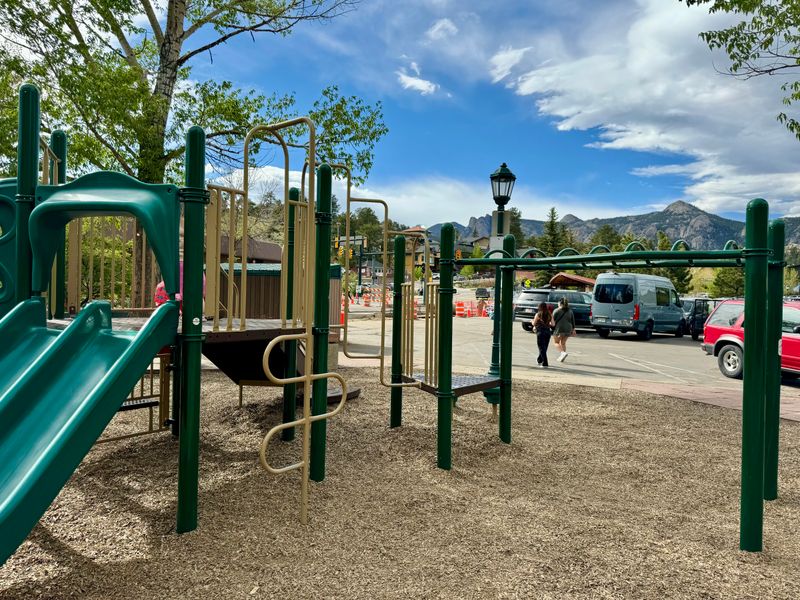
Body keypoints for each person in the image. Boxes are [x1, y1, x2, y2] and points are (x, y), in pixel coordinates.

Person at [552, 296, 576, 363]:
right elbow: (573, 321)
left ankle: (563, 353)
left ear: (560, 303)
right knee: (563, 343)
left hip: (559, 328)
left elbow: (552, 320)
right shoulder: (570, 311)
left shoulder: (556, 310)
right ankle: (562, 356)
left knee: (556, 342)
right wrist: (573, 329)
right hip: (568, 328)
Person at [532, 301, 554, 367]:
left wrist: (532, 321)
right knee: (545, 347)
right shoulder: (550, 314)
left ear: (539, 307)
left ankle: (545, 362)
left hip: (540, 331)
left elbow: (534, 323)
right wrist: (548, 323)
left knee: (541, 348)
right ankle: (539, 359)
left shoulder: (538, 314)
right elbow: (553, 324)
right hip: (548, 332)